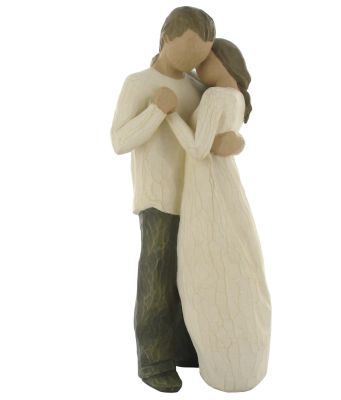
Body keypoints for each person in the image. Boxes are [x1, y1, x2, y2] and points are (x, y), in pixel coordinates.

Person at [110, 6, 222, 393]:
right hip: (158, 198)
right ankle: (155, 359)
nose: (194, 63)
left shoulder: (196, 87)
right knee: (157, 277)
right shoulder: (138, 83)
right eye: (187, 51)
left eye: (201, 55)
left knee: (193, 276)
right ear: (165, 39)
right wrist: (157, 110)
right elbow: (119, 141)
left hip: (198, 198)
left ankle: (187, 347)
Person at [157, 38, 272, 392]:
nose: (196, 67)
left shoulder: (214, 98)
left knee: (206, 265)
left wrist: (171, 115)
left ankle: (222, 362)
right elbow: (222, 138)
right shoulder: (235, 98)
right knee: (238, 259)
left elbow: (197, 148)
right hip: (227, 184)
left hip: (205, 187)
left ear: (224, 62)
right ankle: (243, 358)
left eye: (204, 61)